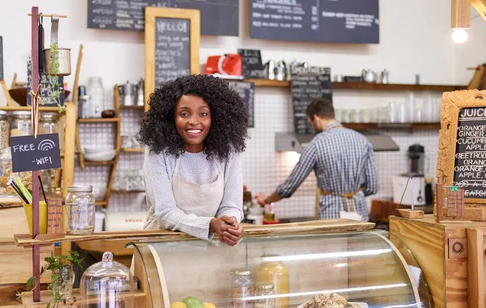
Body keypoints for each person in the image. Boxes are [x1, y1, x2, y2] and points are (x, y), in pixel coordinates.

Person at [138, 75, 249, 246]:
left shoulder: (229, 151)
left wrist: (230, 223)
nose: (194, 121)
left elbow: (232, 205)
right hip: (162, 252)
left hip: (211, 252)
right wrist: (210, 225)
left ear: (216, 117)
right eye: (184, 114)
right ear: (171, 117)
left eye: (203, 113)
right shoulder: (158, 150)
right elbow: (166, 212)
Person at [256, 98, 378, 220]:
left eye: (311, 122)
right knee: (359, 240)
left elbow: (291, 184)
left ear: (316, 118)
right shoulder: (363, 141)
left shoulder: (316, 145)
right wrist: (355, 195)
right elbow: (373, 186)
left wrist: (267, 200)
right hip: (360, 216)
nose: (312, 126)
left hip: (332, 218)